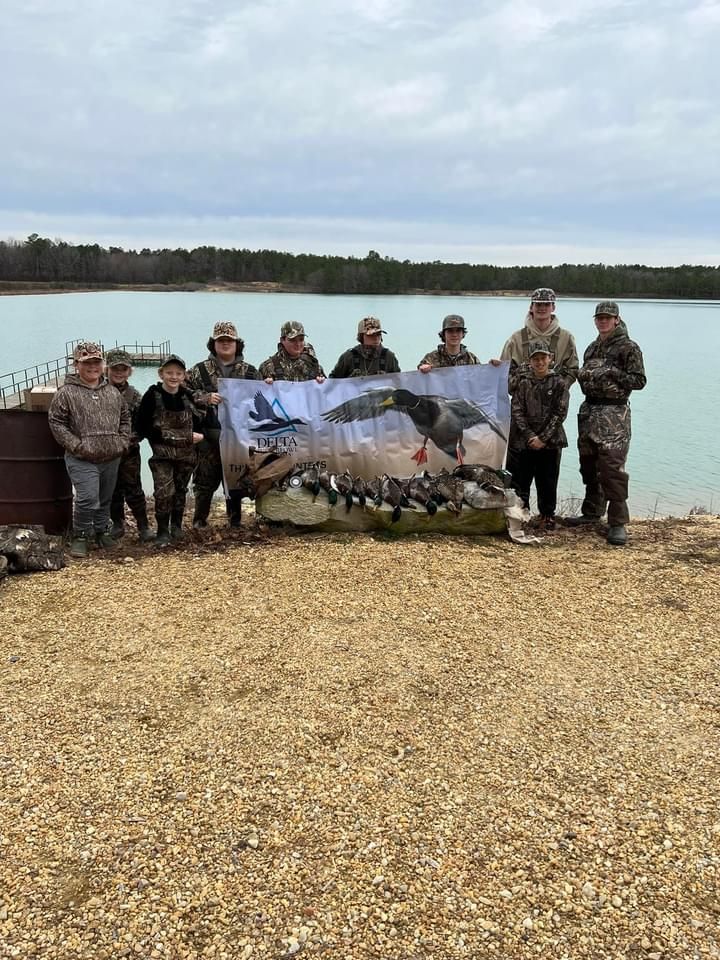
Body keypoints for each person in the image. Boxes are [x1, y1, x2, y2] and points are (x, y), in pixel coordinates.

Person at [567, 302, 646, 546]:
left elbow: (639, 380)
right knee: (588, 464)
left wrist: (611, 372)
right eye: (599, 318)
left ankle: (617, 523)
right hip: (590, 410)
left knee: (612, 469)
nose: (603, 321)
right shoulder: (592, 348)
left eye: (607, 318)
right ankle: (592, 513)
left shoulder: (629, 347)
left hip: (614, 413)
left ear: (616, 320)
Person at [48, 341, 131, 558]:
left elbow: (125, 418)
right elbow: (56, 422)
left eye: (96, 362)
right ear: (77, 364)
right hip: (81, 458)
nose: (92, 367)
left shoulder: (112, 391)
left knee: (105, 498)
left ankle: (101, 531)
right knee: (87, 498)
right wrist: (76, 445)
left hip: (111, 456)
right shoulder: (66, 392)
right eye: (87, 363)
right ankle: (81, 535)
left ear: (103, 364)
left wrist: (122, 441)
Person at [186, 322, 259, 528]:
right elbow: (183, 394)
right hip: (209, 437)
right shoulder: (198, 370)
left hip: (238, 438)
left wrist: (270, 385)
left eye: (229, 340)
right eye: (221, 340)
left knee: (236, 478)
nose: (225, 344)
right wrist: (204, 397)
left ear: (237, 344)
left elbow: (263, 401)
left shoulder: (251, 372)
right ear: (214, 344)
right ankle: (199, 521)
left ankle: (234, 521)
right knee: (204, 482)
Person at [136, 354, 204, 546]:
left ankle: (177, 527)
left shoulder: (187, 395)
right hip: (162, 456)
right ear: (161, 374)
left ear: (184, 376)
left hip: (186, 456)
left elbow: (200, 420)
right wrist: (176, 436)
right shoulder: (152, 395)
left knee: (180, 490)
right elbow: (143, 427)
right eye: (169, 373)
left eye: (178, 373)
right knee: (163, 492)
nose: (173, 377)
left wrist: (201, 434)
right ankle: (163, 531)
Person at [507, 341, 569, 530]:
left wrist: (543, 438)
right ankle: (521, 515)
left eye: (543, 358)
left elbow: (560, 413)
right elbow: (516, 410)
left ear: (550, 359)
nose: (540, 362)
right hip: (524, 441)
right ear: (529, 361)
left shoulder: (559, 382)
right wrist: (530, 436)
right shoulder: (523, 382)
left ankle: (547, 516)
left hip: (550, 442)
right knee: (521, 481)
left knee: (548, 481)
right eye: (536, 359)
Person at [104, 349, 154, 542]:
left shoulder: (135, 396)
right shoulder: (99, 392)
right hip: (105, 452)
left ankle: (143, 526)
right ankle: (117, 523)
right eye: (115, 368)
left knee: (134, 488)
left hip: (129, 451)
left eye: (123, 369)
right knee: (112, 489)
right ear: (107, 369)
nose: (119, 372)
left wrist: (131, 439)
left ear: (129, 372)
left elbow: (144, 425)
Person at [494, 288, 578, 391]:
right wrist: (495, 367)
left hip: (554, 403)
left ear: (553, 307)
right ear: (531, 307)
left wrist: (561, 388)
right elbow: (503, 372)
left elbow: (573, 370)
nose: (542, 308)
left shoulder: (566, 338)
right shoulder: (515, 339)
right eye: (538, 304)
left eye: (546, 304)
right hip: (522, 403)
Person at [329, 317, 401, 378]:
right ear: (361, 337)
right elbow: (332, 382)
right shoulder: (349, 357)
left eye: (378, 334)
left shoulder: (389, 357)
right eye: (371, 335)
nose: (376, 338)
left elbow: (399, 383)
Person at [259, 321, 326, 383]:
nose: (298, 344)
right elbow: (255, 392)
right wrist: (265, 386)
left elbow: (327, 393)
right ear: (282, 340)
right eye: (292, 340)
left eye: (301, 339)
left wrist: (322, 384)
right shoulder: (268, 367)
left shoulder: (314, 367)